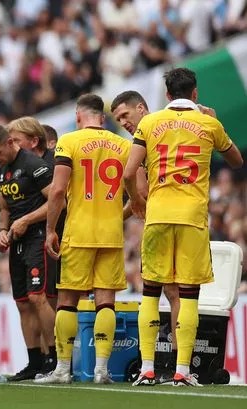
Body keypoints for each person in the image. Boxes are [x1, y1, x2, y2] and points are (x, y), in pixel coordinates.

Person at [124, 68, 243, 387]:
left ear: (166, 95)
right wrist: (216, 121)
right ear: (195, 93)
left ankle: (147, 368)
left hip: (158, 215)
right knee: (189, 295)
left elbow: (129, 171)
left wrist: (136, 200)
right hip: (192, 216)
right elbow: (236, 161)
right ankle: (181, 370)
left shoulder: (149, 122)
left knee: (150, 291)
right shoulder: (208, 122)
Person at [38, 94, 131, 385]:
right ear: (103, 118)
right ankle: (102, 369)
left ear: (79, 116)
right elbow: (140, 192)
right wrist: (121, 215)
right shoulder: (125, 145)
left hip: (79, 232)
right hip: (111, 234)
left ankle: (63, 369)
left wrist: (51, 229)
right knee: (106, 301)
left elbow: (56, 191)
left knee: (67, 301)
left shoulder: (69, 141)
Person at [0, 124, 58, 382]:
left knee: (38, 298)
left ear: (9, 142)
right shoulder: (3, 171)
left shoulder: (34, 165)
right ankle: (34, 362)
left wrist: (26, 220)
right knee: (23, 303)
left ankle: (54, 360)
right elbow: (5, 206)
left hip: (38, 237)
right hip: (18, 241)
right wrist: (3, 231)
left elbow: (56, 202)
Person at [110, 90, 180, 370]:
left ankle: (158, 364)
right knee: (181, 293)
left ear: (141, 108)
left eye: (125, 115)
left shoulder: (144, 139)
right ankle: (181, 363)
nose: (124, 122)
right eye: (118, 119)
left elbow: (140, 192)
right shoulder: (172, 128)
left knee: (162, 293)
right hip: (187, 216)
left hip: (160, 223)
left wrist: (116, 217)